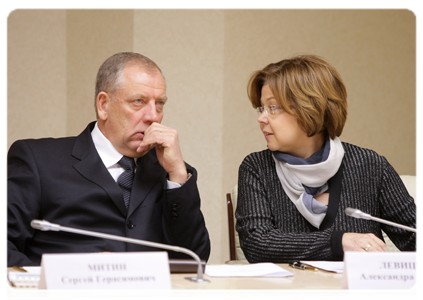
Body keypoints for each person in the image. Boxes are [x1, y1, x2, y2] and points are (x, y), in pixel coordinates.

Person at [6, 52, 210, 267]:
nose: (153, 116)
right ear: (104, 105)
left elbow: (194, 259)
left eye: (159, 103)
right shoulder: (39, 160)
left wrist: (177, 175)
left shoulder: (167, 172)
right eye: (139, 101)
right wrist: (53, 280)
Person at [236, 55, 420, 263]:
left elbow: (416, 237)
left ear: (309, 108)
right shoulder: (256, 168)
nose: (261, 118)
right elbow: (257, 244)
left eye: (273, 107)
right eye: (262, 108)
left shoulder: (370, 165)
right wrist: (337, 241)